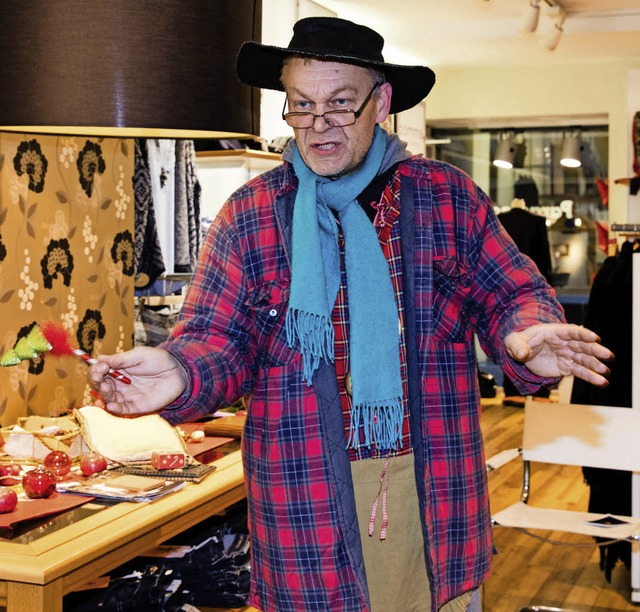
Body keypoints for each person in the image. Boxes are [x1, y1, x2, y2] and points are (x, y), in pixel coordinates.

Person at [90, 17, 613, 612]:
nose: (319, 126)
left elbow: (509, 291)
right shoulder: (251, 216)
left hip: (433, 492)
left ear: (381, 101)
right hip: (303, 496)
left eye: (340, 103)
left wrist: (526, 333)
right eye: (302, 105)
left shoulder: (446, 198)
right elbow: (218, 338)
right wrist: (177, 371)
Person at [497, 178, 554, 405]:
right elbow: (544, 260)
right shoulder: (537, 222)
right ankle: (538, 391)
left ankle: (512, 389)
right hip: (532, 288)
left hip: (503, 289)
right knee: (534, 339)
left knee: (510, 338)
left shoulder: (500, 220)